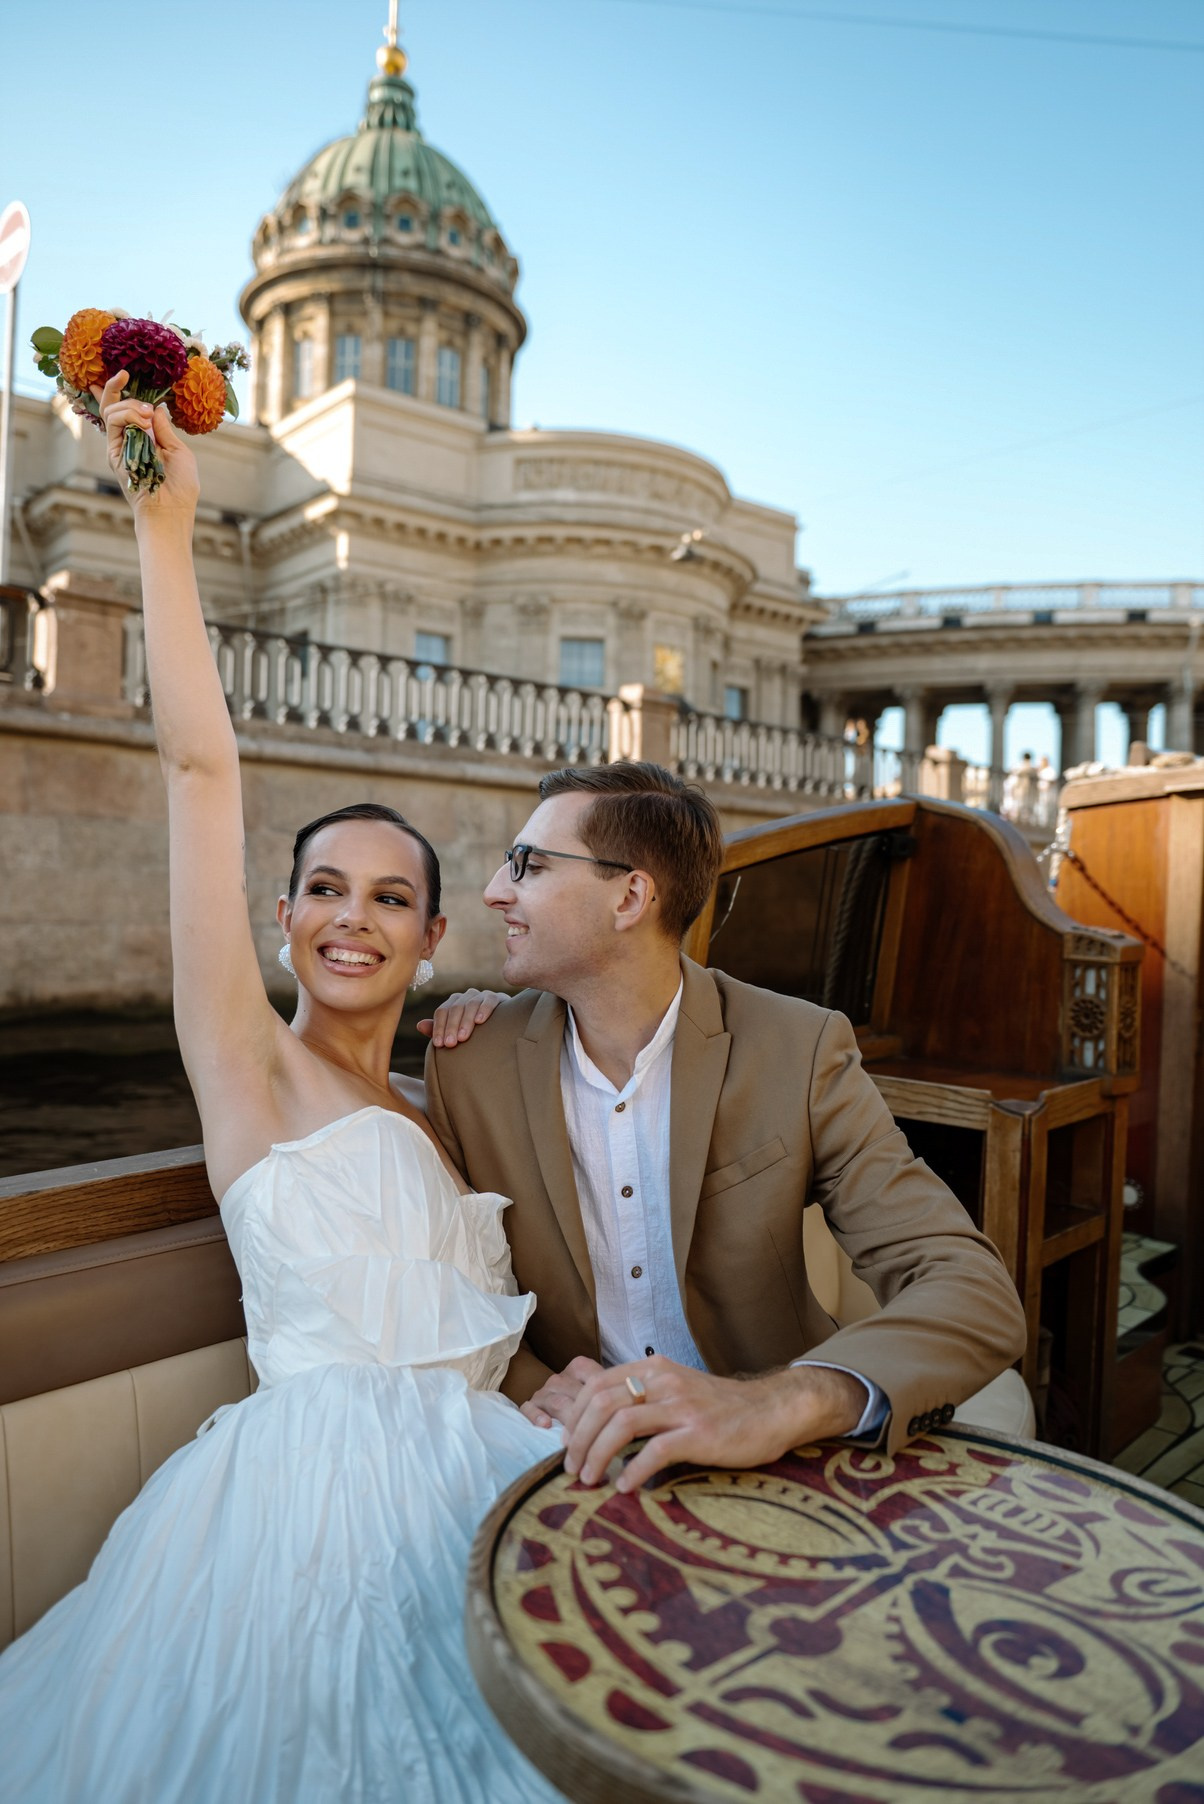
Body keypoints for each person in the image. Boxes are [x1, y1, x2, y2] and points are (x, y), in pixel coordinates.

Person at [0, 378, 565, 1802]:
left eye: (390, 898)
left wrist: (585, 1390)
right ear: (282, 915)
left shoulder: (450, 1112)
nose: (350, 917)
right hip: (304, 1515)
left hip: (498, 1490)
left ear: (436, 938)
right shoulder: (246, 1065)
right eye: (322, 888)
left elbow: (480, 1341)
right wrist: (166, 523)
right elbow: (198, 766)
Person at [423, 764, 1029, 1494]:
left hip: (785, 1459)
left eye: (530, 865)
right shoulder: (468, 1063)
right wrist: (530, 1380)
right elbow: (458, 1284)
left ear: (630, 896)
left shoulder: (799, 1049)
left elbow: (970, 1286)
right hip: (573, 1454)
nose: (495, 888)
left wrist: (778, 1402)